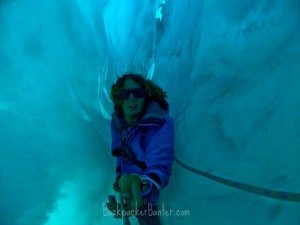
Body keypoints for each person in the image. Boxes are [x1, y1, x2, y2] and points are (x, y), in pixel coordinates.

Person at [106, 73, 175, 225]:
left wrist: (141, 185)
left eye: (137, 93)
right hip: (129, 185)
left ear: (146, 96)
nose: (132, 98)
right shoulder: (117, 122)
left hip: (147, 188)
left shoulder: (160, 123)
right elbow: (120, 154)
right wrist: (120, 179)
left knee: (146, 214)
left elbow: (160, 166)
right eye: (126, 94)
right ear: (120, 99)